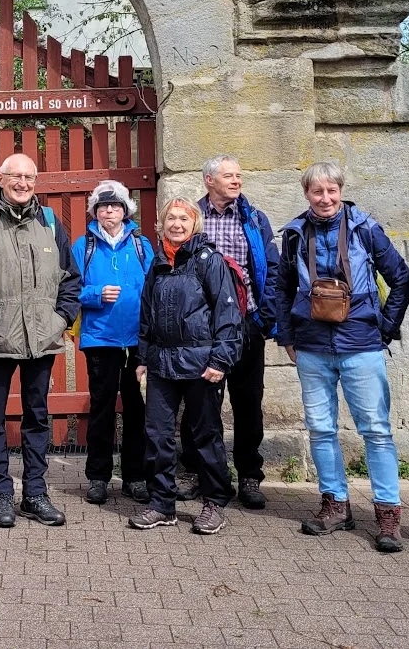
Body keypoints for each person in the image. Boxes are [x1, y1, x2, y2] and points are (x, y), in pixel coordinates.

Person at [274, 161, 409, 552]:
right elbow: (281, 289)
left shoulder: (365, 228)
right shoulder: (294, 234)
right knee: (320, 428)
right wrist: (287, 336)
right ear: (307, 194)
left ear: (340, 190)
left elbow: (401, 278)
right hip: (312, 346)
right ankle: (335, 504)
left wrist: (384, 328)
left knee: (376, 430)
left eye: (331, 190)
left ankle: (388, 513)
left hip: (361, 345)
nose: (325, 198)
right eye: (317, 192)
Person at [0, 153, 81, 528]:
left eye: (29, 177)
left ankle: (35, 494)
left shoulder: (51, 222)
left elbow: (70, 279)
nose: (23, 183)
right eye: (16, 177)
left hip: (42, 339)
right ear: (1, 179)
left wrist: (59, 320)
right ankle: (1, 495)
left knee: (36, 418)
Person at [130, 197, 243, 534]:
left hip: (202, 364)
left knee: (205, 435)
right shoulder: (157, 263)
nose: (176, 224)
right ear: (161, 224)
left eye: (184, 218)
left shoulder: (209, 260)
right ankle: (162, 503)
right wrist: (142, 359)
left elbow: (227, 314)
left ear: (195, 224)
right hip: (162, 363)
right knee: (158, 435)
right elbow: (147, 315)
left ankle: (214, 502)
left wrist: (221, 360)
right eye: (171, 219)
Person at [179, 155, 278, 510]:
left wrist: (264, 318)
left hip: (246, 323)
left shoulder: (253, 218)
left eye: (239, 175)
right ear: (209, 180)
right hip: (201, 328)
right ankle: (196, 472)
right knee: (200, 404)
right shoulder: (193, 217)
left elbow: (272, 268)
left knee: (248, 403)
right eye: (229, 176)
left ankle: (249, 476)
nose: (237, 181)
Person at [72, 180, 155, 506]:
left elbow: (155, 285)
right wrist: (95, 294)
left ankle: (135, 477)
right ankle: (98, 477)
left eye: (116, 205)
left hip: (137, 341)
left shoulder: (142, 244)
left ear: (125, 210)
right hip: (100, 340)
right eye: (104, 206)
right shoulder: (83, 246)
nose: (109, 210)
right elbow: (69, 288)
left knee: (138, 411)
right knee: (102, 410)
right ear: (95, 211)